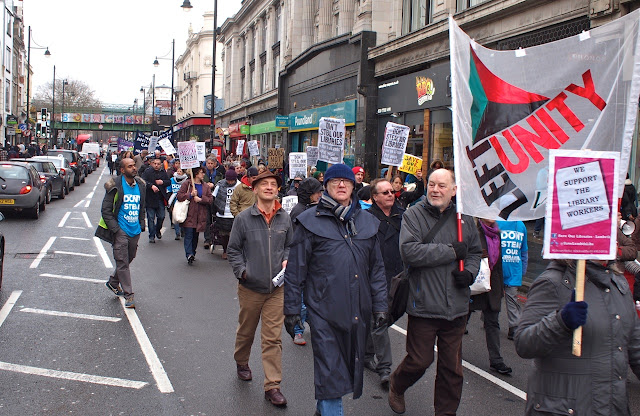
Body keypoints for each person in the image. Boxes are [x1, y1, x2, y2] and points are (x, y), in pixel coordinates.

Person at [284, 164, 388, 416]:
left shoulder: (367, 222)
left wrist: (380, 306)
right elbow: (296, 270)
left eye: (346, 181)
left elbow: (376, 271)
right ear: (326, 187)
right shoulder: (309, 222)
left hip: (357, 312)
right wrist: (291, 310)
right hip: (323, 313)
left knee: (343, 370)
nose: (341, 185)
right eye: (335, 181)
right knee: (331, 371)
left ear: (354, 186)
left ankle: (323, 409)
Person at [389, 168, 482, 415]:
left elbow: (474, 252)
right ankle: (397, 384)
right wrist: (451, 252)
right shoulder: (414, 215)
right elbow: (410, 252)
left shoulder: (465, 219)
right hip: (424, 304)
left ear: (454, 190)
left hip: (457, 307)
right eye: (431, 184)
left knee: (452, 369)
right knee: (420, 360)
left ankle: (445, 412)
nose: (435, 190)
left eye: (442, 185)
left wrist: (470, 273)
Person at [515, 259, 640, 415]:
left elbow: (636, 347)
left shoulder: (618, 284)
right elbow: (524, 343)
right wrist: (560, 322)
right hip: (564, 409)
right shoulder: (554, 282)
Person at [227, 171, 293, 408]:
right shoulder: (243, 218)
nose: (269, 187)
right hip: (250, 288)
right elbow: (233, 250)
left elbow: (290, 246)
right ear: (254, 189)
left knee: (273, 338)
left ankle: (272, 386)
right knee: (246, 330)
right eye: (263, 184)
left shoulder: (285, 218)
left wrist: (287, 259)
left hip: (277, 288)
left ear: (278, 190)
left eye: (273, 184)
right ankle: (241, 360)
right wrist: (243, 272)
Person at [365, 178, 404, 388]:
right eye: (385, 192)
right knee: (379, 321)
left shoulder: (403, 215)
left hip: (400, 276)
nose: (391, 194)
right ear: (375, 197)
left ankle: (365, 352)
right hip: (377, 276)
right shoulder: (366, 218)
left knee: (384, 319)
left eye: (392, 191)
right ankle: (385, 369)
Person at [95, 158, 145, 309]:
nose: (134, 168)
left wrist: (141, 223)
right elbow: (106, 210)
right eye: (130, 166)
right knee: (122, 261)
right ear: (122, 170)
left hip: (134, 229)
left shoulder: (141, 185)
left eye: (134, 165)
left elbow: (141, 206)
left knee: (129, 258)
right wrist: (116, 229)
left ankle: (113, 282)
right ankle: (129, 295)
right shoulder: (114, 185)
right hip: (120, 229)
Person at [468, 218, 512, 375]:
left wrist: (501, 288)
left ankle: (496, 360)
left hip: (492, 284)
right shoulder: (472, 231)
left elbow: (498, 264)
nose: (492, 215)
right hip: (474, 283)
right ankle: (452, 352)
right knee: (460, 321)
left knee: (492, 322)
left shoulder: (497, 234)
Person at [287, 176, 323, 347]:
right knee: (301, 299)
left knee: (312, 297)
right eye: (317, 192)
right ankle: (298, 331)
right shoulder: (300, 211)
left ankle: (311, 324)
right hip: (302, 260)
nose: (320, 195)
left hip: (313, 260)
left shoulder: (310, 208)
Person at [495, 220, 528, 340]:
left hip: (514, 270)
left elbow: (524, 250)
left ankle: (514, 327)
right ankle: (489, 319)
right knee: (493, 297)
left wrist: (523, 269)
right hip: (497, 268)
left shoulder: (521, 225)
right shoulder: (496, 223)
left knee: (512, 299)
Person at [176, 167, 213, 264]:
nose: (203, 175)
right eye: (201, 173)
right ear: (196, 174)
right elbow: (179, 196)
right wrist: (190, 195)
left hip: (200, 215)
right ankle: (189, 254)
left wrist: (201, 199)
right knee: (189, 234)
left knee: (195, 236)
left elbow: (210, 199)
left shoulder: (205, 186)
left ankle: (193, 252)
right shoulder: (187, 184)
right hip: (189, 214)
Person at [142, 157, 171, 243]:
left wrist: (162, 182)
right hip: (150, 198)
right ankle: (151, 236)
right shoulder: (147, 172)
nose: (156, 165)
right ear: (151, 164)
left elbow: (168, 182)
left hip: (160, 198)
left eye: (158, 164)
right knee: (150, 218)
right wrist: (151, 186)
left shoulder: (163, 172)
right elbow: (143, 181)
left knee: (161, 216)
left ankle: (158, 229)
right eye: (155, 164)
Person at [212, 169, 240, 259]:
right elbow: (214, 197)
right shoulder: (220, 185)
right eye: (228, 180)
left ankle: (233, 250)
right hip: (222, 213)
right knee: (223, 234)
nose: (230, 182)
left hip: (234, 214)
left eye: (232, 180)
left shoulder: (239, 186)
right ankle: (225, 250)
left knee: (234, 234)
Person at [167, 168, 188, 240]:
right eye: (178, 171)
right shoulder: (172, 180)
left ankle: (183, 230)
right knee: (175, 217)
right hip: (174, 200)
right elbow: (169, 190)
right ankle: (177, 233)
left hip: (183, 201)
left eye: (180, 171)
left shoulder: (186, 180)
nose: (178, 173)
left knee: (183, 216)